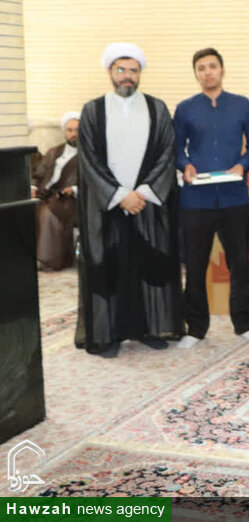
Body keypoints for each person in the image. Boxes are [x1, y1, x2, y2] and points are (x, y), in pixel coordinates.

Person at [75, 43, 183, 357]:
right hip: (107, 205)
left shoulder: (157, 108)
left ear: (140, 74)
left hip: (146, 204)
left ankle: (151, 328)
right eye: (121, 70)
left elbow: (167, 153)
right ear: (110, 72)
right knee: (107, 268)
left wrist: (142, 193)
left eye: (133, 71)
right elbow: (88, 160)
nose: (127, 76)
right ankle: (108, 335)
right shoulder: (93, 111)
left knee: (149, 265)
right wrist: (120, 195)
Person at [174, 48, 249, 348]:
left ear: (222, 70)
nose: (208, 72)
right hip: (196, 199)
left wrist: (243, 165)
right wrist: (185, 165)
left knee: (240, 263)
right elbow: (176, 148)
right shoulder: (185, 109)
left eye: (212, 66)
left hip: (233, 197)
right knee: (195, 265)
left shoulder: (242, 105)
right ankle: (195, 328)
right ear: (196, 74)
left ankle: (244, 323)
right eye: (201, 68)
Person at [32, 111, 81, 271]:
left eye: (77, 130)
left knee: (48, 212)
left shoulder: (88, 155)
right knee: (24, 209)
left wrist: (74, 189)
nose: (74, 134)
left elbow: (92, 183)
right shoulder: (53, 152)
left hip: (72, 199)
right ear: (64, 132)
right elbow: (38, 175)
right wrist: (33, 188)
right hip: (45, 193)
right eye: (70, 130)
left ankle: (47, 260)